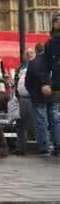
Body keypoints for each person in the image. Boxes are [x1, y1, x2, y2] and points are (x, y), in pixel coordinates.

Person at [27, 41, 60, 156]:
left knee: (42, 121)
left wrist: (34, 93)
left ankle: (44, 146)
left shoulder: (33, 63)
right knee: (55, 120)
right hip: (54, 96)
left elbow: (28, 83)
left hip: (39, 97)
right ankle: (57, 145)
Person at [13, 47, 37, 155]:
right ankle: (20, 148)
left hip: (34, 99)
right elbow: (16, 81)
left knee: (36, 124)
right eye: (27, 53)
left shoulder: (38, 66)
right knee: (21, 124)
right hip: (21, 99)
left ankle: (41, 147)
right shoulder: (20, 68)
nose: (29, 55)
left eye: (31, 53)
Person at [42, 13, 60, 155]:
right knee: (54, 116)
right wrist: (46, 83)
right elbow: (47, 66)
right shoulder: (49, 44)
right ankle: (58, 144)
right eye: (56, 20)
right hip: (55, 85)